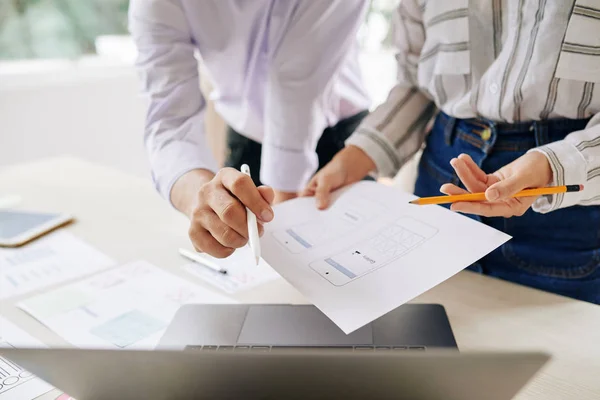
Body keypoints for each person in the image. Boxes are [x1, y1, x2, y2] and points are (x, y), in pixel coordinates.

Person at [304, 1, 600, 304]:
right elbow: (418, 83)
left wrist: (551, 167)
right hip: (441, 182)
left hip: (568, 204)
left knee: (555, 343)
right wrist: (354, 157)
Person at [129, 0, 370, 258]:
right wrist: (200, 197)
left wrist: (285, 206)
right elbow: (170, 121)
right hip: (247, 139)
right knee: (241, 250)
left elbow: (296, 81)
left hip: (340, 141)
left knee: (357, 262)